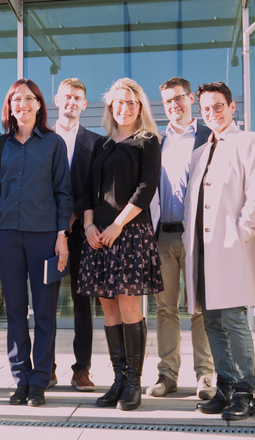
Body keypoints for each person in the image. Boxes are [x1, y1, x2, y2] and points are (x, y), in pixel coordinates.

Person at [0, 78, 72, 407]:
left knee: (45, 312)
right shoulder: (0, 145)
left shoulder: (54, 144)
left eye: (28, 98)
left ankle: (40, 381)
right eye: (15, 100)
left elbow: (63, 193)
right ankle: (20, 377)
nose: (21, 104)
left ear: (38, 104)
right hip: (6, 237)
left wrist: (61, 235)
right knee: (16, 312)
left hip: (44, 238)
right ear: (9, 107)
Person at [77, 78, 163, 412]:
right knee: (108, 308)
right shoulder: (101, 145)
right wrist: (88, 226)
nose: (124, 108)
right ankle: (118, 379)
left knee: (129, 308)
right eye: (118, 103)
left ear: (140, 106)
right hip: (97, 236)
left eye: (131, 103)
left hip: (129, 232)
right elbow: (86, 189)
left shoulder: (148, 141)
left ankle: (133, 385)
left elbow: (146, 188)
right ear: (111, 107)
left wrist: (116, 225)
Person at [184, 81, 255, 421]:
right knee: (212, 321)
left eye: (218, 106)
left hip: (230, 246)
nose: (212, 113)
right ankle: (226, 386)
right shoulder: (200, 152)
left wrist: (241, 233)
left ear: (232, 107)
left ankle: (246, 391)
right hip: (202, 251)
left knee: (234, 319)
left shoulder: (248, 140)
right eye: (205, 109)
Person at [147, 77, 215, 400]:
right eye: (167, 101)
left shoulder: (208, 136)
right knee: (165, 309)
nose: (174, 105)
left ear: (190, 98)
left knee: (200, 307)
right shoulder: (155, 141)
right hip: (163, 236)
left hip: (197, 237)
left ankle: (205, 376)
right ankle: (167, 374)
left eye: (178, 98)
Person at [49, 78, 101, 391]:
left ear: (84, 104)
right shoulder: (40, 137)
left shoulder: (96, 143)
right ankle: (47, 366)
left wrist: (74, 212)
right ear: (57, 99)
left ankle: (81, 369)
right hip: (46, 232)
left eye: (77, 98)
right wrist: (57, 217)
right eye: (67, 96)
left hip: (81, 231)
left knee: (84, 303)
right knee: (46, 303)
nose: (72, 101)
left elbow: (96, 187)